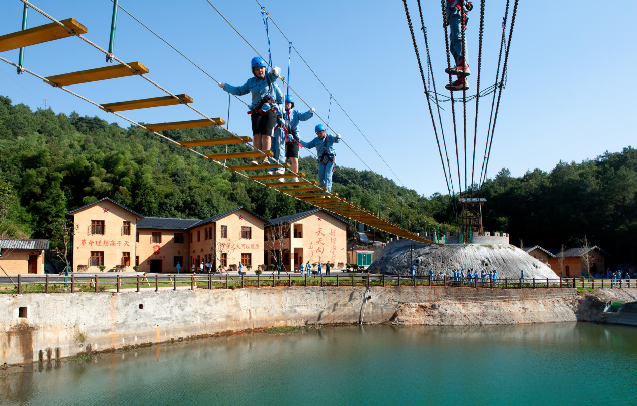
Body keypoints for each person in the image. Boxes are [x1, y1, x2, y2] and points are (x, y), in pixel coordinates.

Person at [219, 56, 283, 164]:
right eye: (257, 69)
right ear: (253, 70)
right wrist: (226, 86)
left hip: (269, 110)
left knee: (266, 134)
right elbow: (239, 90)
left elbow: (277, 73)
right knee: (257, 135)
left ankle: (265, 157)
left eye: (261, 68)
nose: (260, 71)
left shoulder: (269, 78)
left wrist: (276, 69)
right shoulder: (251, 82)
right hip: (256, 110)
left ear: (264, 68)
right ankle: (257, 158)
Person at [276, 95, 314, 182]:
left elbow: (303, 116)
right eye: (285, 103)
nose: (287, 104)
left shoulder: (296, 113)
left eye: (288, 103)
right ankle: (281, 176)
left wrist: (310, 112)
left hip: (294, 138)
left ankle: (294, 176)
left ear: (291, 104)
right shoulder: (282, 113)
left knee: (294, 158)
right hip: (284, 137)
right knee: (283, 158)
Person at [296, 124, 341, 193]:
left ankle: (327, 191)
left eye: (320, 132)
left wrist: (338, 137)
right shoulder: (316, 140)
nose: (319, 134)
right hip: (322, 160)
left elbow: (336, 140)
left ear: (324, 131)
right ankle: (324, 190)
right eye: (317, 133)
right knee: (321, 178)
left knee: (328, 175)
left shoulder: (330, 137)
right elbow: (308, 145)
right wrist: (300, 141)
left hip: (330, 159)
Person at [445, 0, 473, 91]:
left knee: (458, 38)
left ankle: (463, 65)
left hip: (457, 10)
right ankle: (462, 79)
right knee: (453, 46)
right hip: (454, 11)